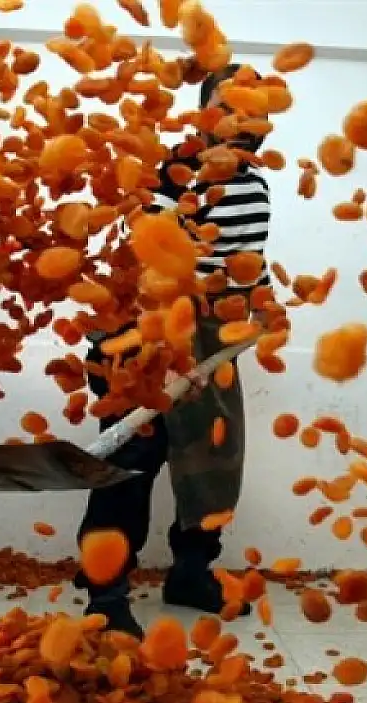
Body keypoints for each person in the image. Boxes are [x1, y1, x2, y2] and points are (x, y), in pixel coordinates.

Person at [74, 64, 272, 638]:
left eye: (255, 109)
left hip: (212, 334)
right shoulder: (173, 172)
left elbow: (243, 260)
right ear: (206, 115)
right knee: (128, 465)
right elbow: (138, 260)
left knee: (213, 457)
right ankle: (106, 596)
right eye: (229, 107)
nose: (242, 121)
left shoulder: (256, 185)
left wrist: (259, 306)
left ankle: (190, 573)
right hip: (146, 327)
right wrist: (146, 351)